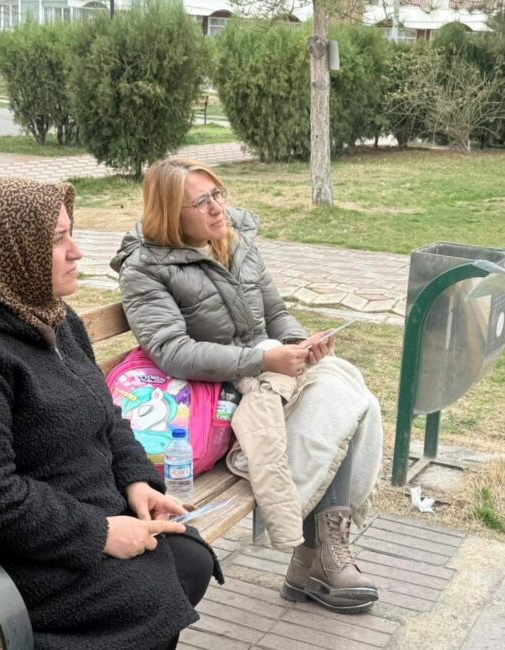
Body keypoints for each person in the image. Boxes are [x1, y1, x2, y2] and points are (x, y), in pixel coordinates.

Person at [0, 177, 220, 650]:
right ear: (1, 253)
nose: (77, 251)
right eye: (57, 240)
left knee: (188, 556)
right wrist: (98, 533)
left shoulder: (46, 316)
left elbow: (104, 415)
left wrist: (137, 482)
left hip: (52, 518)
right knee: (144, 594)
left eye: (70, 233)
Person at [112, 158, 383, 615]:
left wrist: (300, 345)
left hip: (262, 369)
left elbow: (274, 312)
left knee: (349, 389)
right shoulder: (145, 267)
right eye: (202, 202)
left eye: (218, 194)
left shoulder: (233, 240)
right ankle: (319, 557)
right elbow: (172, 351)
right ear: (171, 214)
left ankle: (316, 558)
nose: (218, 208)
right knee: (339, 398)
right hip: (217, 396)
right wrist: (262, 359)